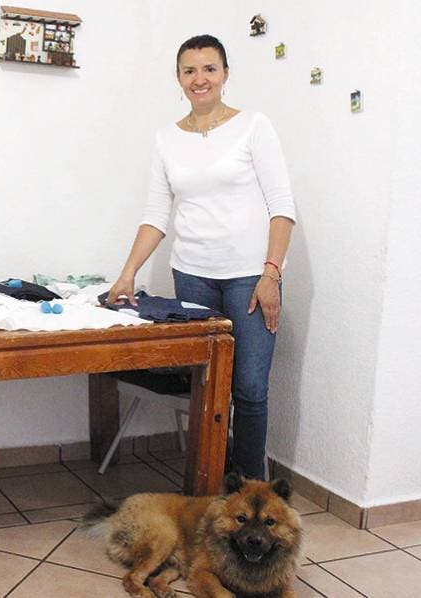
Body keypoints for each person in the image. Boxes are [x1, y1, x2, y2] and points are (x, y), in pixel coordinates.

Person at [107, 34, 296, 481]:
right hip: (193, 277)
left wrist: (271, 274)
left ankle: (251, 488)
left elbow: (282, 208)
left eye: (209, 69)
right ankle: (211, 482)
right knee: (209, 387)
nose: (200, 79)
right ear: (178, 78)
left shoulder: (254, 126)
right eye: (189, 70)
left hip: (251, 277)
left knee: (249, 388)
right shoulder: (167, 139)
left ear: (225, 74)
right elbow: (156, 215)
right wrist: (127, 274)